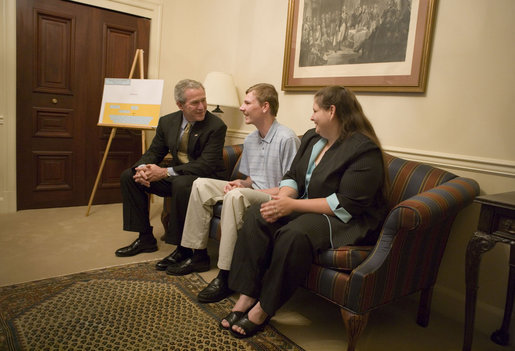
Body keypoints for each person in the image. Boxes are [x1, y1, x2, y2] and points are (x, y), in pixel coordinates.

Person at [220, 86, 388, 338]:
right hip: (310, 206)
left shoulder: (363, 150)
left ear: (332, 111)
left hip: (347, 219)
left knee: (293, 234)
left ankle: (264, 309)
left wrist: (292, 206)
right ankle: (247, 296)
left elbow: (346, 204)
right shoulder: (312, 138)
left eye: (315, 111)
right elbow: (293, 176)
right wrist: (282, 200)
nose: (311, 117)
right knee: (258, 214)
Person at [158, 83, 300, 304]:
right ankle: (197, 254)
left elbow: (291, 188)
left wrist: (245, 189)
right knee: (201, 184)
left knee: (235, 196)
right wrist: (241, 182)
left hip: (277, 198)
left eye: (247, 103)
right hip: (253, 191)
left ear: (264, 107)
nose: (242, 108)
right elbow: (252, 179)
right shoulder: (252, 139)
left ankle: (225, 274)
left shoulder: (287, 139)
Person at [115, 79, 227, 257]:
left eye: (203, 100)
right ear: (180, 105)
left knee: (181, 184)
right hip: (177, 176)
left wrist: (165, 172)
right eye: (195, 102)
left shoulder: (216, 126)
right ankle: (145, 238)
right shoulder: (167, 122)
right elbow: (154, 152)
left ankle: (182, 248)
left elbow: (206, 165)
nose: (202, 107)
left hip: (203, 178)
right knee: (129, 176)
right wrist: (142, 169)